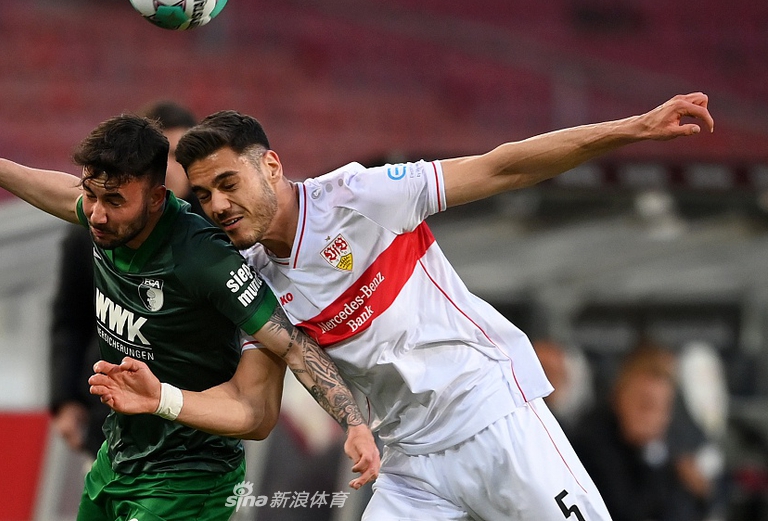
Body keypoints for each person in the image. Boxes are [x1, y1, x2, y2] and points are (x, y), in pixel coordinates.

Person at [90, 92, 714, 521]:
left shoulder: (360, 196)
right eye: (203, 196)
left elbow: (502, 168)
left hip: (491, 419)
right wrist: (163, 397)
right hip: (410, 465)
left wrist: (631, 129)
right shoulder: (251, 279)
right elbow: (254, 409)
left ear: (271, 167)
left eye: (229, 184)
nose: (218, 206)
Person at [0, 94, 379, 521]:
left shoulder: (204, 258)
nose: (96, 214)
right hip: (118, 457)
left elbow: (292, 345)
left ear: (155, 198)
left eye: (114, 201)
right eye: (91, 195)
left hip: (189, 474)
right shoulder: (106, 220)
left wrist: (353, 423)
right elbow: (58, 190)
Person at [49, 101, 205, 460]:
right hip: (109, 418)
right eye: (161, 158)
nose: (170, 169)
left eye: (179, 157)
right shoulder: (89, 232)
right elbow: (69, 320)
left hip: (195, 426)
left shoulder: (214, 236)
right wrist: (64, 399)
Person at [571, 343, 705, 521]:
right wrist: (653, 456)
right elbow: (627, 512)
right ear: (619, 398)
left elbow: (682, 510)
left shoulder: (666, 448)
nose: (653, 417)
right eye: (645, 404)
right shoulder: (591, 444)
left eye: (662, 408)